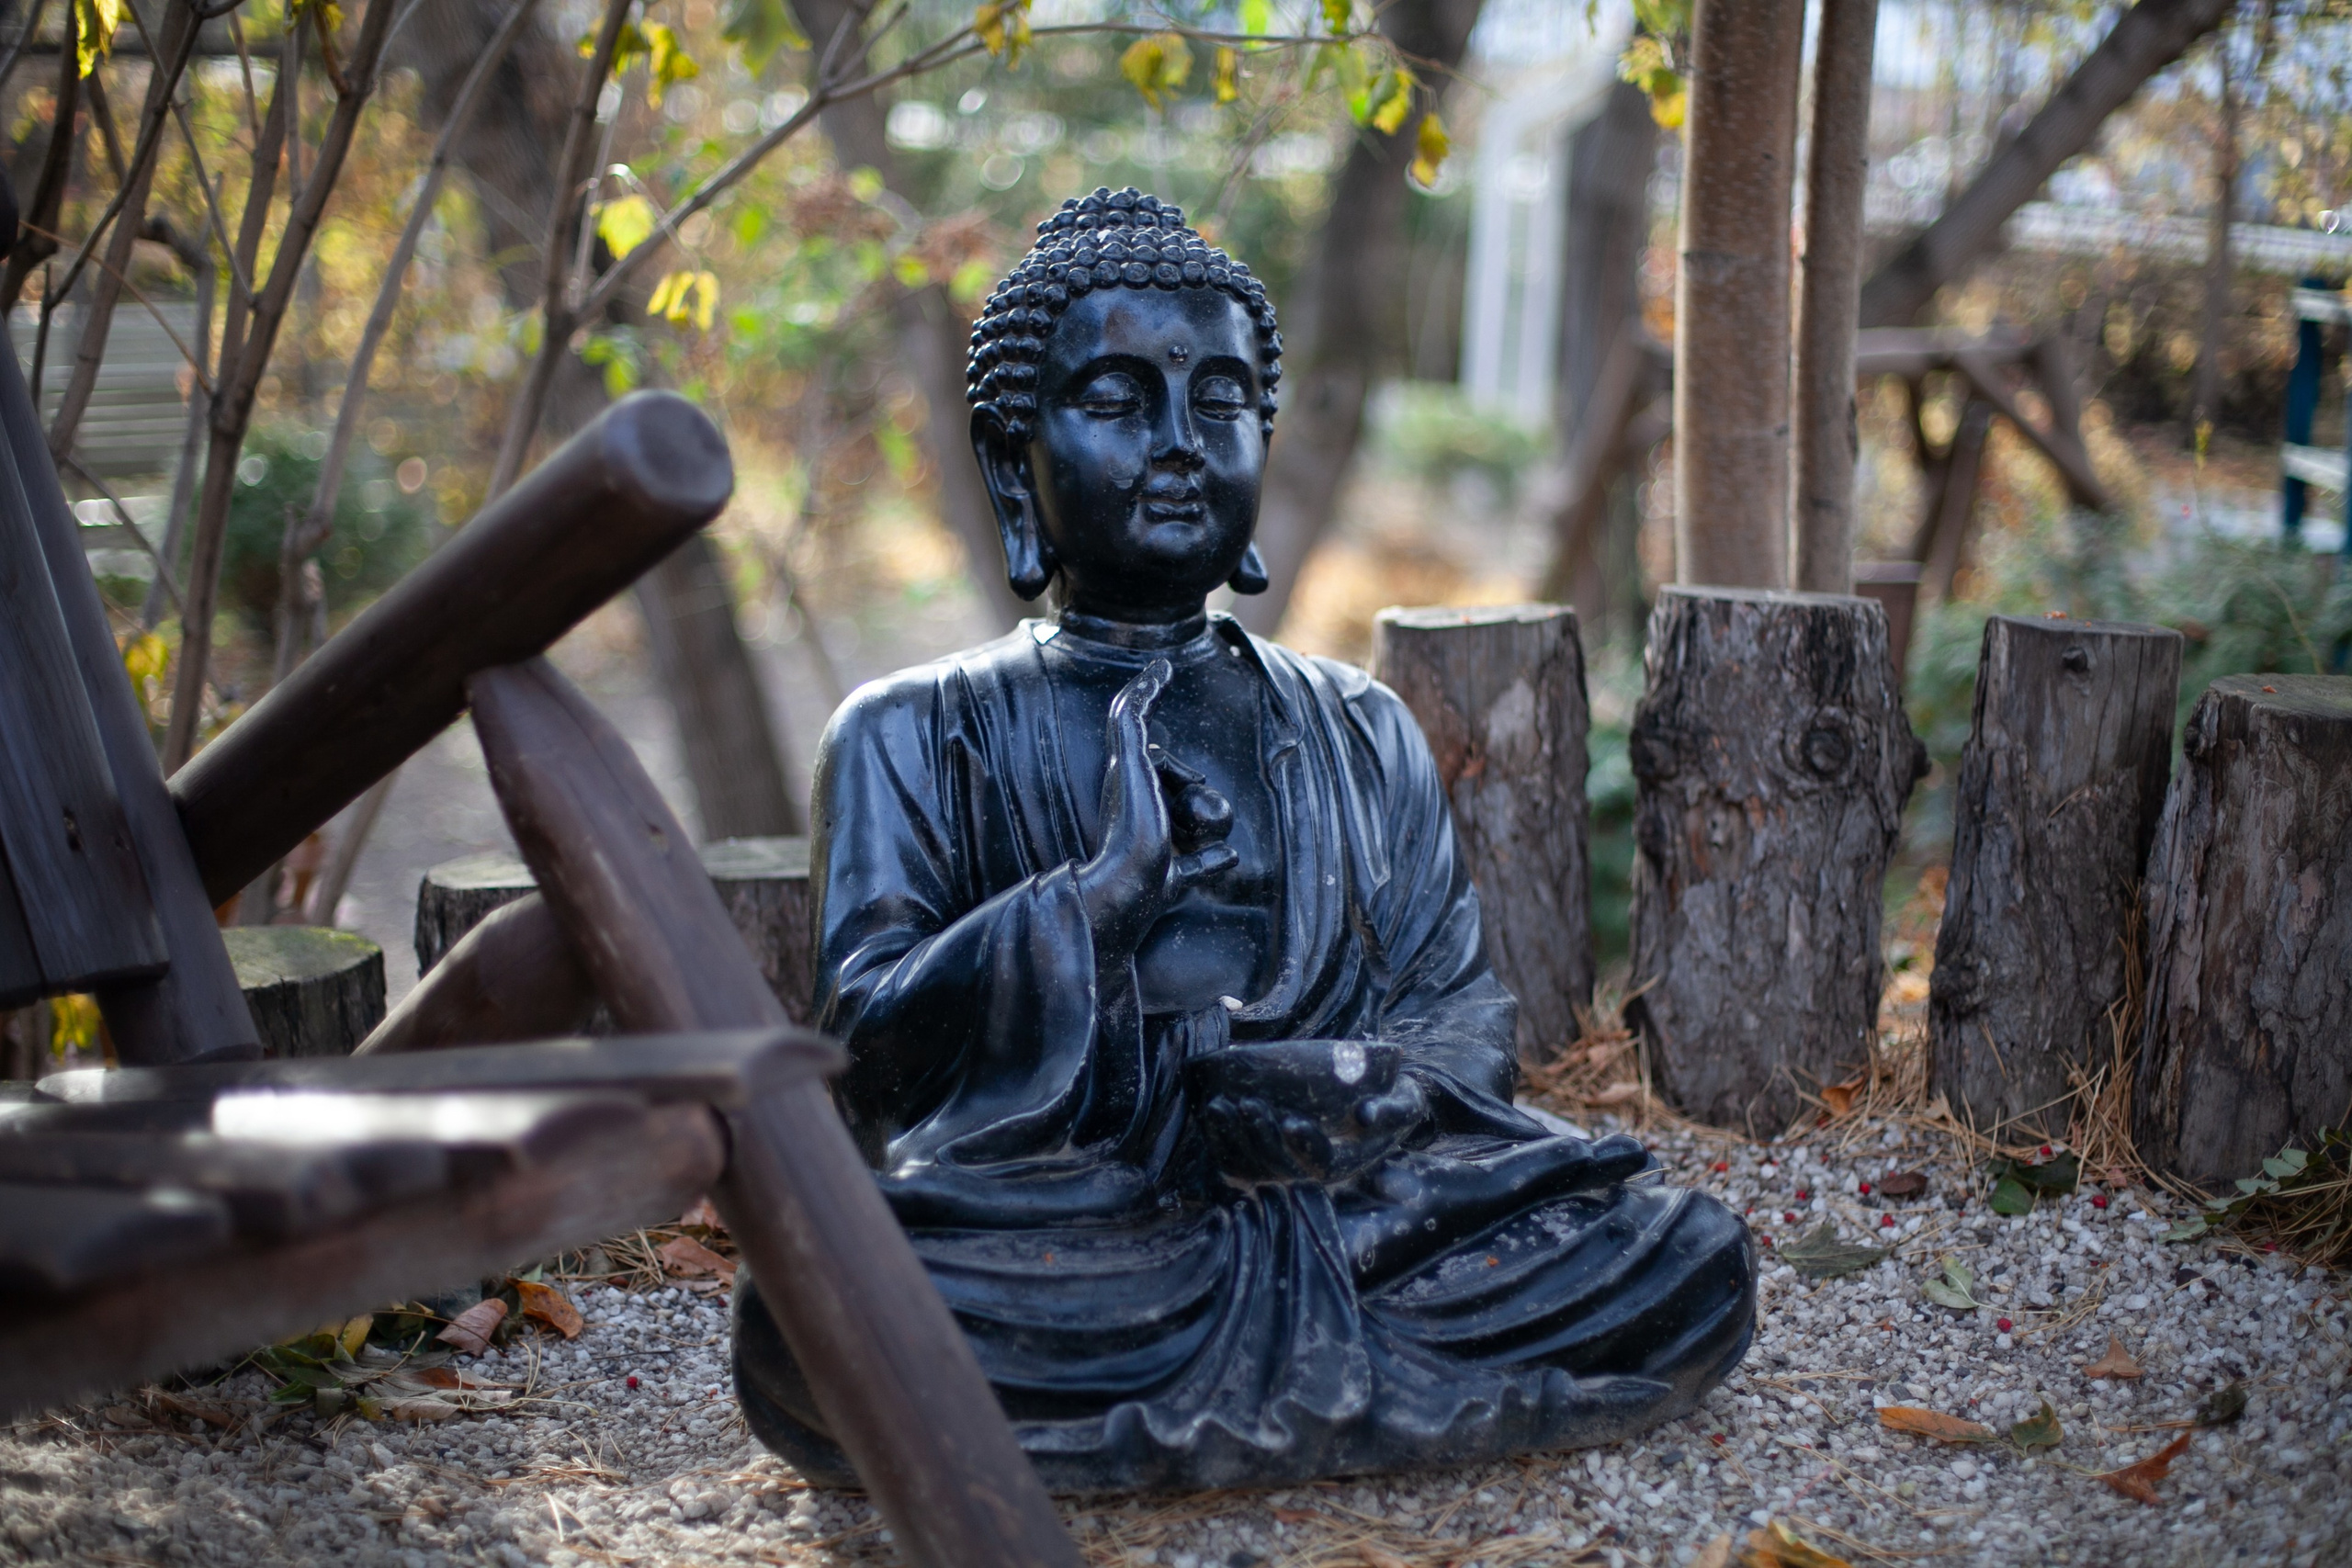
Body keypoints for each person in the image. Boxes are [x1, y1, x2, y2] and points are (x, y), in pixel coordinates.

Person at [733, 187, 1754, 1492]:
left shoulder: (1358, 725)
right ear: (1009, 462)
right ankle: (1354, 1389)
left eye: (1218, 402)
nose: (1178, 444)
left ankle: (1165, 1405)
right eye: (1117, 401)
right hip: (1076, 1222)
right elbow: (866, 1065)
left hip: (1358, 1212)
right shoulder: (911, 731)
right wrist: (1095, 900)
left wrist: (1369, 1088)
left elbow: (1458, 1011)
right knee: (817, 1311)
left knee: (1681, 1253)